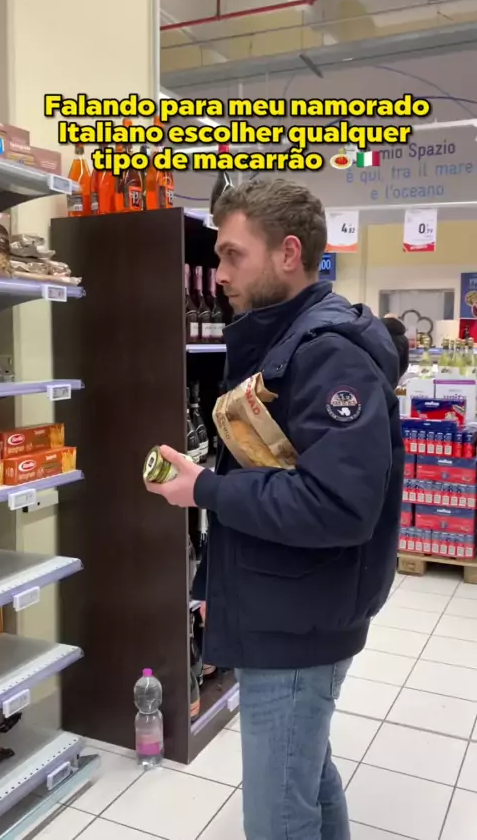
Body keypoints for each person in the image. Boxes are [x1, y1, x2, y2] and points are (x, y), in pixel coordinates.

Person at [146, 178, 404, 840]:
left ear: (288, 253)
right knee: (307, 778)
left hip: (298, 624)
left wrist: (204, 489)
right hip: (285, 605)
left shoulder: (328, 355)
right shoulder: (284, 341)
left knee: (277, 818)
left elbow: (338, 505)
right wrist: (218, 586)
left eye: (233, 255)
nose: (219, 273)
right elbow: (268, 472)